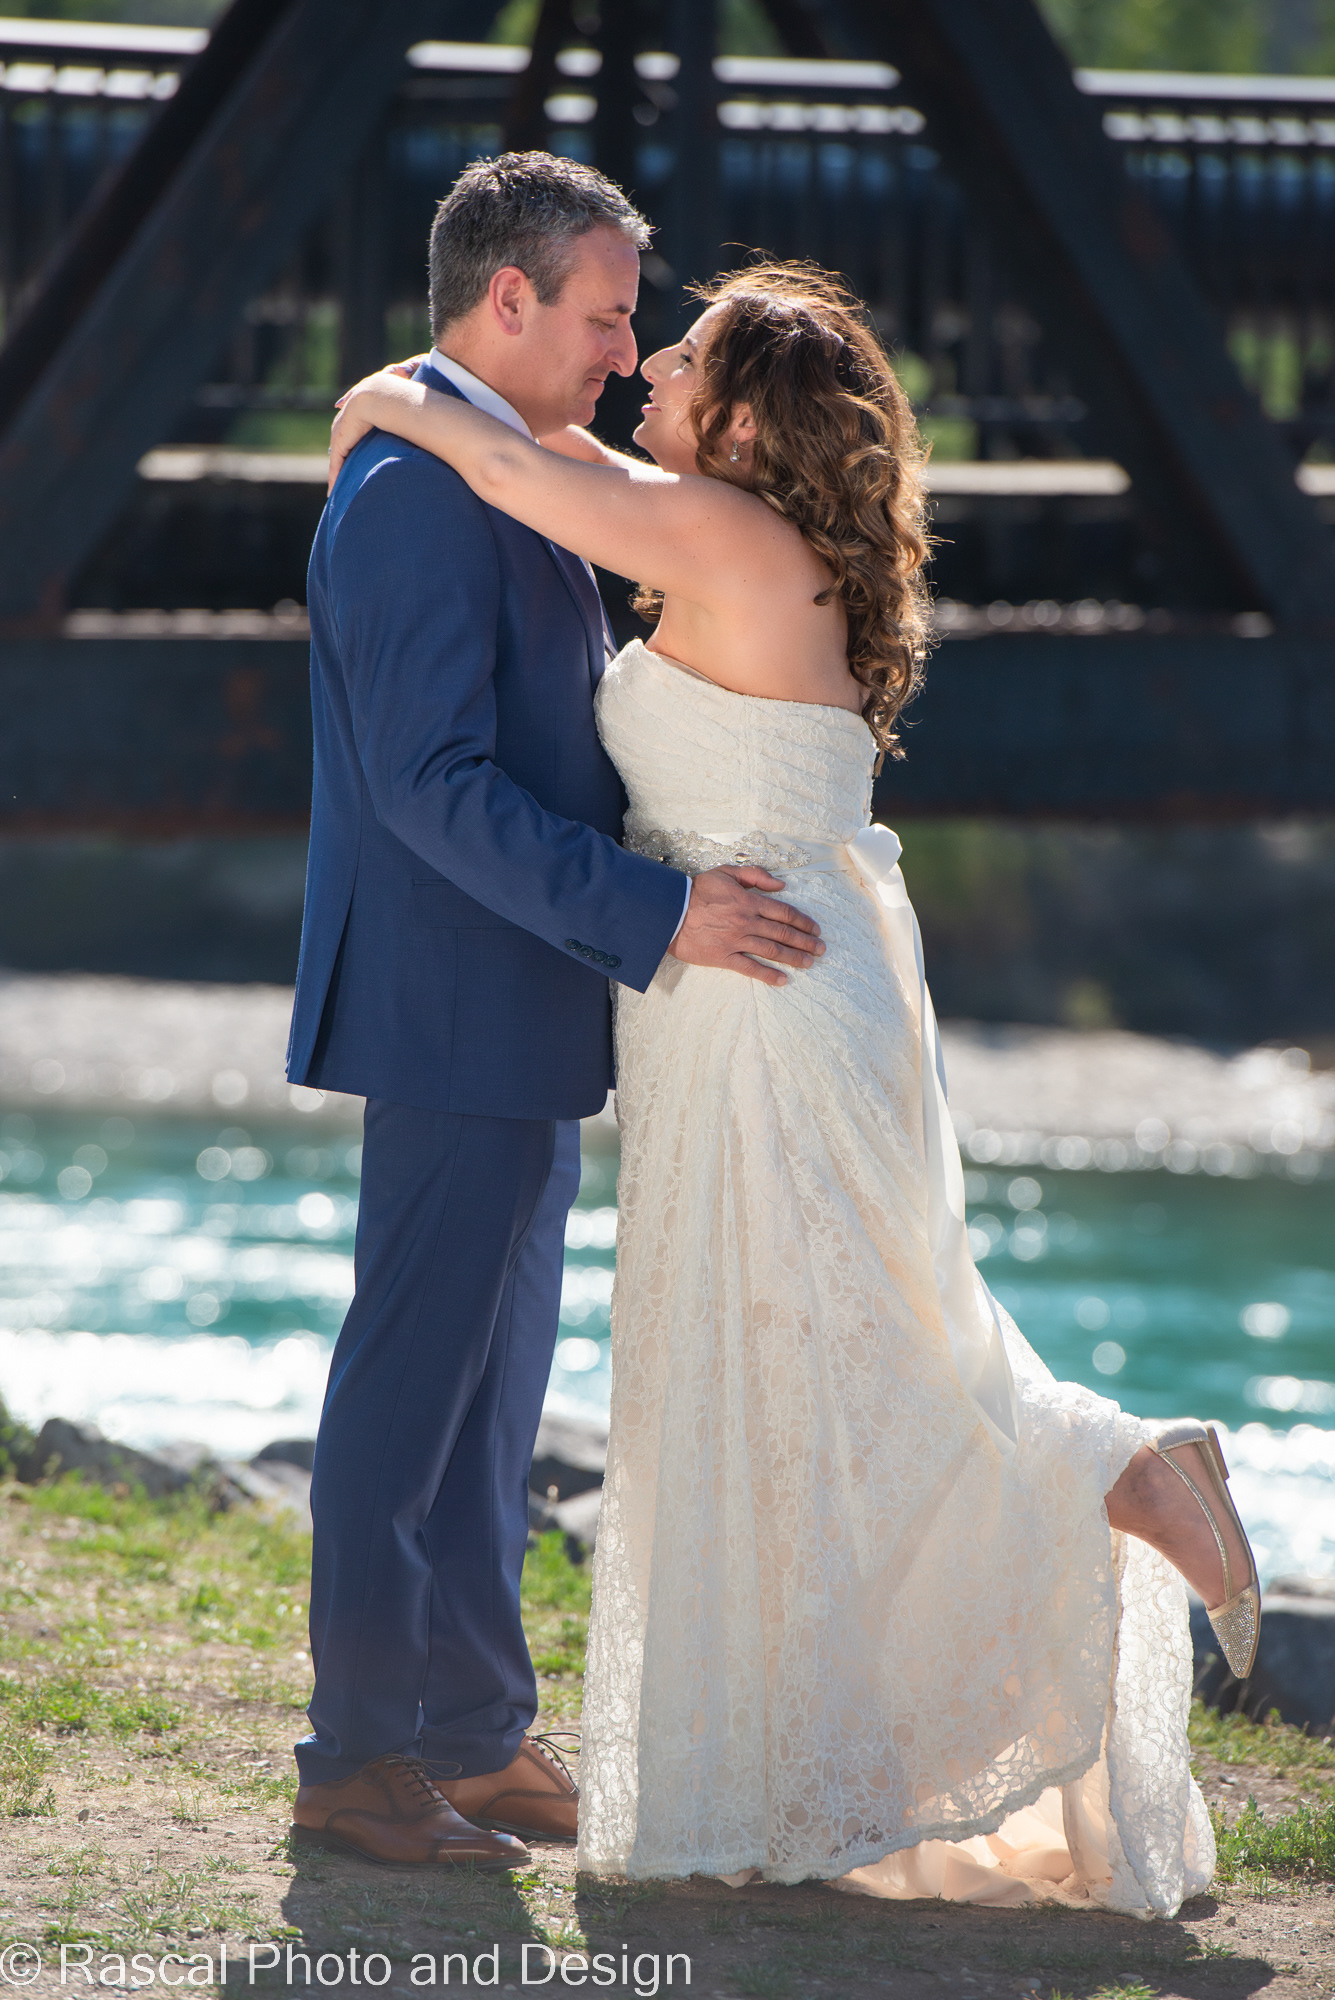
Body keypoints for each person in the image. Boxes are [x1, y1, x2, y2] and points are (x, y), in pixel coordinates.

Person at [328, 257, 1260, 1915]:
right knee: (804, 1363)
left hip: (760, 995)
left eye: (674, 357)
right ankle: (797, 1759)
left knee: (851, 1356)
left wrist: (394, 395)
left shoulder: (718, 536)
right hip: (758, 982)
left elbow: (519, 469)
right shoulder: (736, 524)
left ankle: (1116, 1467)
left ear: (745, 417)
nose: (643, 377)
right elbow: (582, 471)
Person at [284, 158, 823, 1872]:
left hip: (525, 1005)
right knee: (409, 1383)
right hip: (449, 1002)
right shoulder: (412, 494)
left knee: (492, 1393)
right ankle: (357, 1757)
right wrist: (657, 916)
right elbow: (431, 787)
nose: (624, 349)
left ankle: (471, 1731)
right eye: (605, 314)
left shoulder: (502, 471)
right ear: (504, 299)